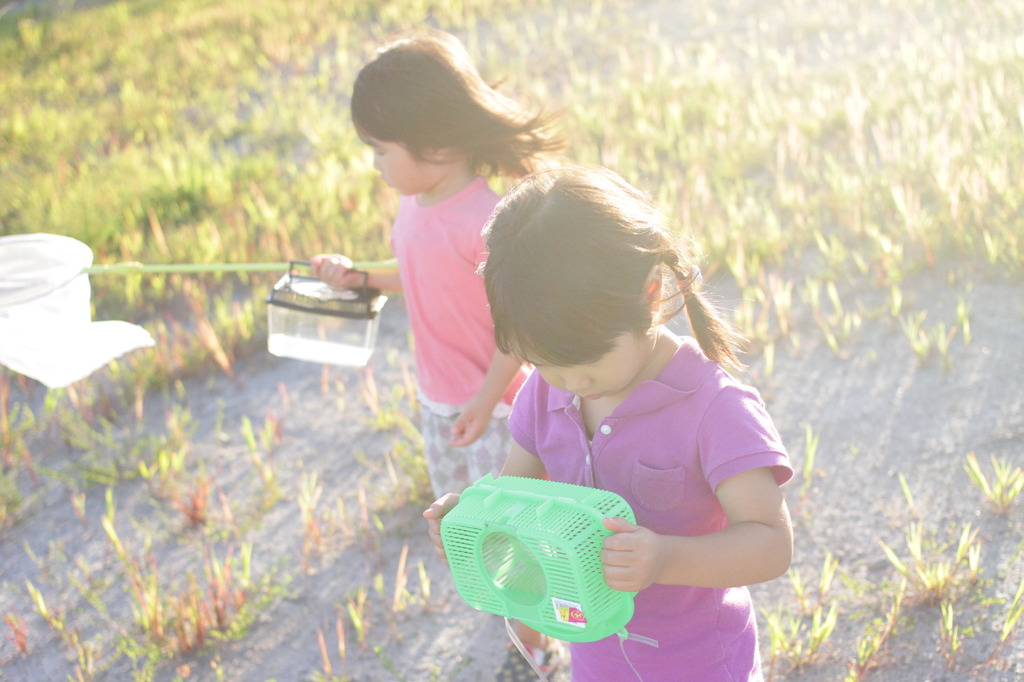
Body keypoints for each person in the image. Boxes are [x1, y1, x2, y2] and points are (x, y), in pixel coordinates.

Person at [425, 166, 794, 681]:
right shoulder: (545, 392)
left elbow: (770, 544)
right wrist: (473, 523)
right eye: (546, 364)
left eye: (587, 361)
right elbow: (515, 501)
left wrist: (663, 559)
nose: (571, 382)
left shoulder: (713, 408)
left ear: (647, 297)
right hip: (594, 653)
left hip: (700, 663)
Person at [310, 30, 565, 675]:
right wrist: (361, 278)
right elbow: (414, 268)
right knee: (464, 522)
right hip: (441, 400)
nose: (375, 164)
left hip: (498, 408)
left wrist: (484, 399)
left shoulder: (486, 220)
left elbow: (518, 325)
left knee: (512, 526)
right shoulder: (415, 201)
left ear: (440, 145)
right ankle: (513, 617)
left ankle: (540, 642)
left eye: (380, 149)